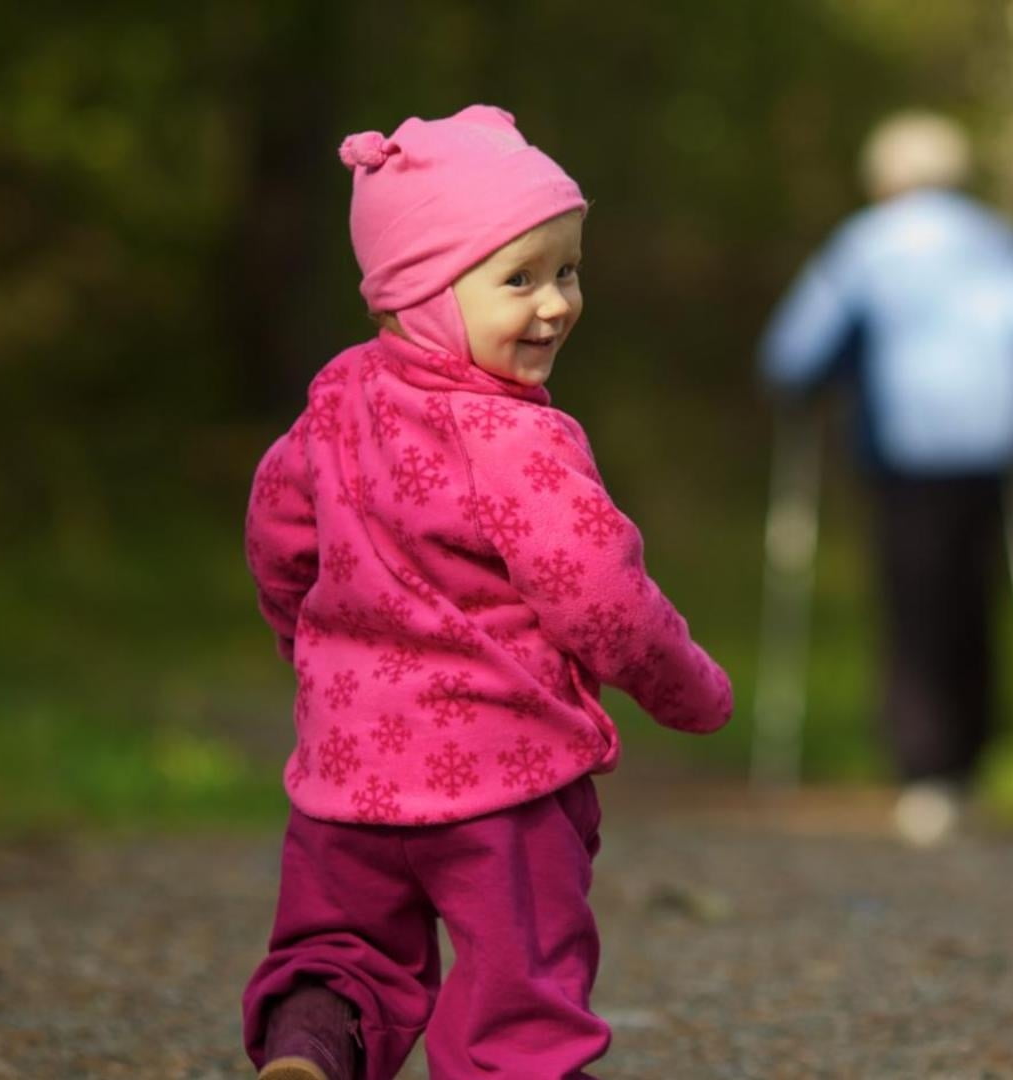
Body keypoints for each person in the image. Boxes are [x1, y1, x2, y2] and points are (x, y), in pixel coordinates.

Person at [240, 105, 733, 1080]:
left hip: (347, 779)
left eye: (568, 271)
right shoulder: (519, 440)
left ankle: (311, 1049)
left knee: (338, 951)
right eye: (520, 280)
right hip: (501, 788)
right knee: (521, 987)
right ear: (420, 290)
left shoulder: (335, 401)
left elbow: (278, 536)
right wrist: (688, 686)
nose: (555, 305)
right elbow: (601, 596)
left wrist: (309, 653)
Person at [759, 110, 1013, 847]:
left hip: (908, 451)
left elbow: (793, 352)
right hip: (997, 449)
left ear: (885, 180)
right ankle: (969, 766)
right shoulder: (1002, 243)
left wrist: (812, 387)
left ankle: (925, 774)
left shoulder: (867, 246)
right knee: (975, 600)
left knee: (916, 605)